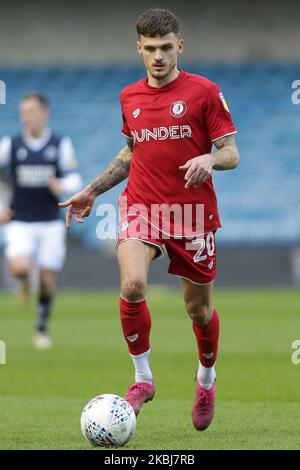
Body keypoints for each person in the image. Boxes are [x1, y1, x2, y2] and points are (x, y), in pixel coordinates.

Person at [59, 8, 240, 431]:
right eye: (150, 48)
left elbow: (232, 152)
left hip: (193, 214)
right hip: (142, 207)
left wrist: (210, 158)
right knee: (132, 284)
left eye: (166, 48)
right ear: (139, 48)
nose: (158, 56)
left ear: (179, 45)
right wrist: (93, 190)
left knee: (198, 311)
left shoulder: (205, 93)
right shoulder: (129, 97)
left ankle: (206, 379)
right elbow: (131, 151)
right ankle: (143, 380)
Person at [0, 93, 82, 349]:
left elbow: (75, 179)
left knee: (47, 279)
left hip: (50, 221)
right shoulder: (10, 145)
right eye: (24, 111)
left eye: (32, 110)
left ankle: (41, 328)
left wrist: (62, 184)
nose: (27, 116)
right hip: (20, 219)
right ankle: (24, 284)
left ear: (45, 113)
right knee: (19, 268)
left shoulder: (60, 144)